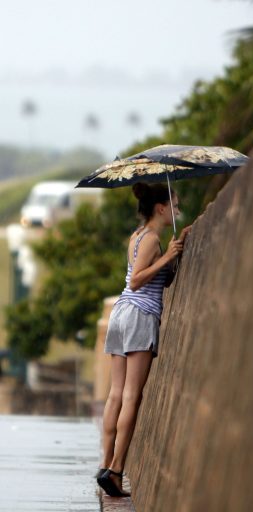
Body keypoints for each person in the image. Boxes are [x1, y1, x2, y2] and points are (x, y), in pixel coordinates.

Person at [96, 182, 191, 498]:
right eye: (174, 205)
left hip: (122, 315)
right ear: (160, 208)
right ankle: (117, 469)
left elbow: (155, 278)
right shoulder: (150, 239)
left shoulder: (137, 237)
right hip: (139, 315)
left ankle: (105, 463)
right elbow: (138, 280)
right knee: (131, 397)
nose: (177, 210)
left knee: (116, 395)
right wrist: (167, 257)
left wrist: (174, 255)